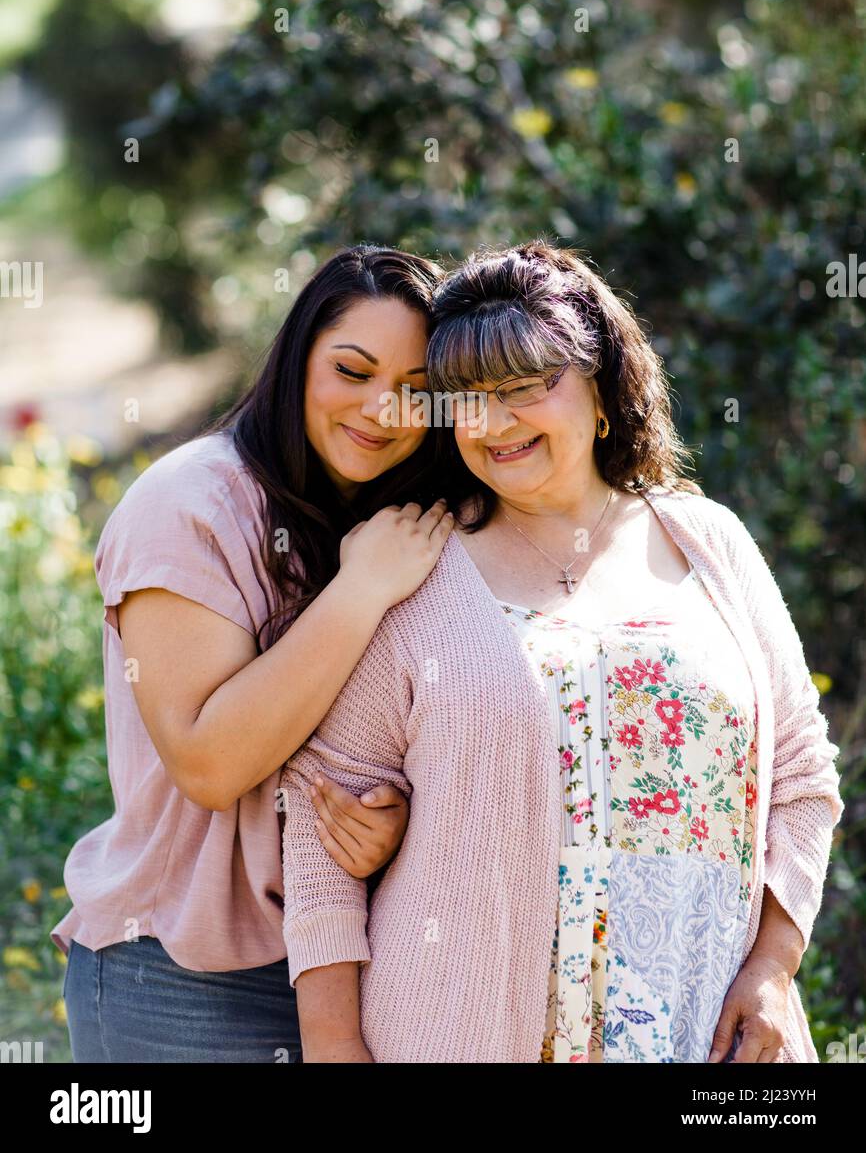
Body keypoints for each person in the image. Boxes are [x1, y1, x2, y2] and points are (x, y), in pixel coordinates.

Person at [281, 239, 844, 1063]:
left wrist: (772, 965)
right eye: (466, 397)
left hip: (703, 1034)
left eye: (526, 387)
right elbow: (320, 832)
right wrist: (335, 1052)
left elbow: (802, 777)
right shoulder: (414, 566)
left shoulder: (708, 543)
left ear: (603, 388)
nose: (494, 422)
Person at [51, 243, 456, 1062]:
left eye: (417, 391)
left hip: (349, 960)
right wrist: (359, 589)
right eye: (353, 370)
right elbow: (210, 763)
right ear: (296, 359)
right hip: (182, 975)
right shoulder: (189, 504)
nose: (384, 409)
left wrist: (393, 823)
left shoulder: (398, 519)